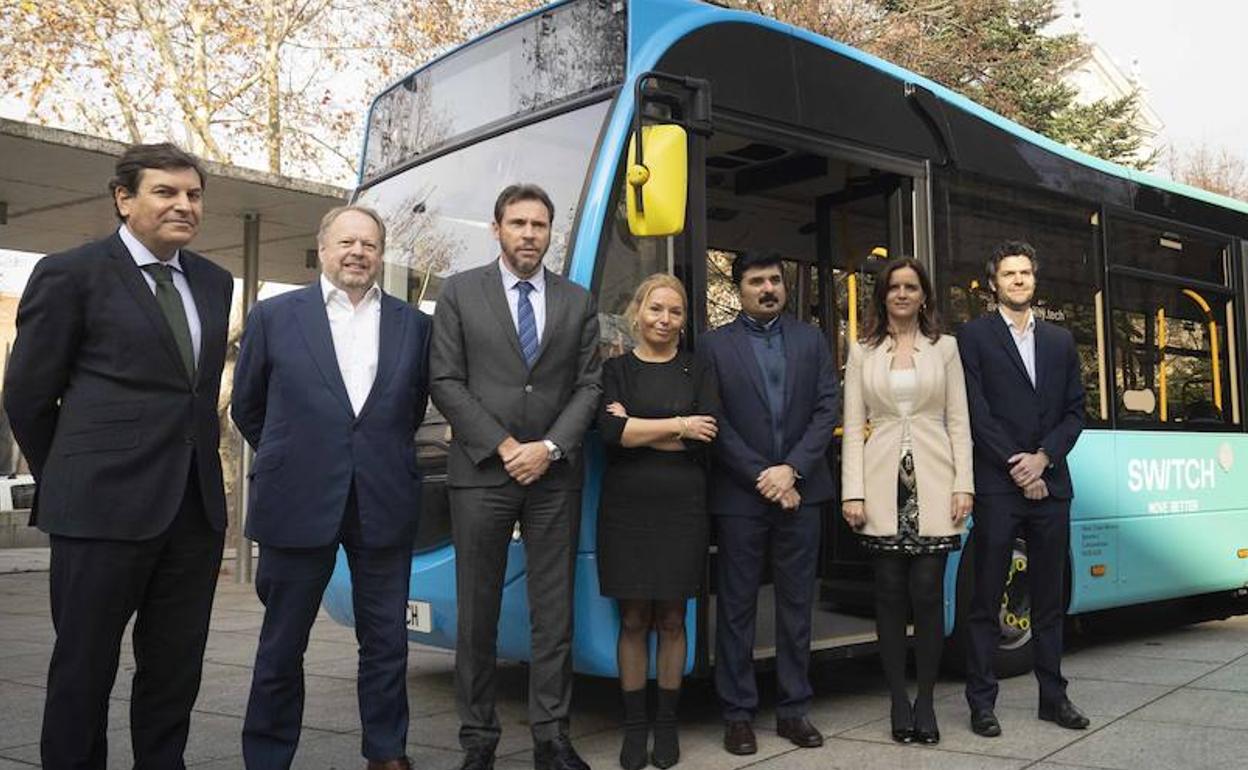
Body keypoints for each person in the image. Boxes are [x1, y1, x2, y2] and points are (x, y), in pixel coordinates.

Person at [3, 142, 233, 769]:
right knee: (84, 670)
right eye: (166, 192)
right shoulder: (70, 274)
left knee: (174, 672)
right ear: (124, 199)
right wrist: (75, 478)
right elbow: (25, 397)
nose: (184, 204)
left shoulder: (215, 283)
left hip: (192, 513)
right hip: (98, 514)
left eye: (193, 194)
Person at [232, 205, 431, 769]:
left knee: (387, 643)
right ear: (322, 249)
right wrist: (300, 454)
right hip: (295, 499)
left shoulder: (413, 324)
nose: (357, 252)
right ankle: (267, 758)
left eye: (369, 243)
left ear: (380, 253)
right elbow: (250, 407)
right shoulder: (274, 316)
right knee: (281, 643)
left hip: (382, 498)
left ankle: (387, 753)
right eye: (346, 241)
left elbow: (408, 408)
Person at [430, 184, 602, 770]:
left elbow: (589, 386)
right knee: (476, 614)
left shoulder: (577, 301)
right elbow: (445, 380)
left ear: (551, 232)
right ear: (496, 228)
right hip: (483, 472)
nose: (530, 234)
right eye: (518, 223)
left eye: (540, 225)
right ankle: (478, 740)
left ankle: (552, 738)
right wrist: (505, 447)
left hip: (553, 476)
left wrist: (550, 448)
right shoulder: (458, 292)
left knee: (554, 613)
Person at [698, 251, 839, 756]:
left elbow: (828, 407)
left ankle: (793, 710)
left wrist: (791, 470)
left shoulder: (811, 339)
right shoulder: (714, 346)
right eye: (756, 281)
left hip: (803, 492)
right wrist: (763, 475)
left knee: (796, 606)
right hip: (741, 496)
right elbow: (713, 419)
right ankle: (737, 714)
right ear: (739, 288)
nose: (768, 288)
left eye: (775, 280)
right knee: (736, 607)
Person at [840, 257, 974, 745]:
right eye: (893, 286)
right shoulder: (862, 351)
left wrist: (965, 484)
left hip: (935, 483)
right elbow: (854, 427)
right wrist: (851, 491)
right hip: (880, 487)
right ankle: (898, 700)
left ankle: (927, 702)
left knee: (927, 595)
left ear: (924, 296)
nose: (901, 294)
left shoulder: (946, 350)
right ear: (883, 295)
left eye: (910, 287)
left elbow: (958, 420)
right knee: (889, 596)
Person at [959, 240, 1088, 737]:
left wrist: (1043, 459)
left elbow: (1075, 411)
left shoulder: (1059, 340)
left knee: (1050, 602)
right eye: (1008, 273)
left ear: (1035, 280)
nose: (1017, 280)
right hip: (998, 486)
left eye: (1025, 273)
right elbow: (976, 410)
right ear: (993, 282)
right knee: (985, 599)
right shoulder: (973, 336)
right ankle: (981, 702)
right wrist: (1018, 466)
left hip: (1052, 486)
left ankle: (1053, 698)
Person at [597, 274, 718, 770]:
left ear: (683, 321)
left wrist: (639, 428)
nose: (664, 320)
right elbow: (608, 434)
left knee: (671, 618)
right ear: (638, 312)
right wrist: (677, 424)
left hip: (683, 509)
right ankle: (633, 726)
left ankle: (666, 725)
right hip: (626, 510)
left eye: (674, 312)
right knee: (632, 618)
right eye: (656, 309)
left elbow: (707, 435)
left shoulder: (698, 368)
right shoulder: (616, 370)